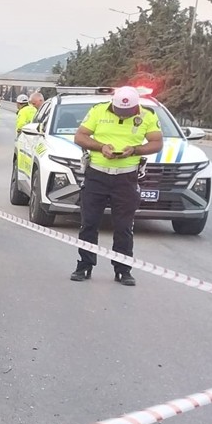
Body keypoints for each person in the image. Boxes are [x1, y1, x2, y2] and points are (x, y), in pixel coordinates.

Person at [70, 86, 163, 286]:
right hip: (97, 175)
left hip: (126, 178)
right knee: (89, 223)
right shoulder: (98, 110)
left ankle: (122, 270)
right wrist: (100, 147)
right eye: (119, 110)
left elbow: (156, 142)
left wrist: (136, 150)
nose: (123, 114)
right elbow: (80, 137)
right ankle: (84, 266)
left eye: (127, 112)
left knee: (124, 227)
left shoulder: (147, 115)